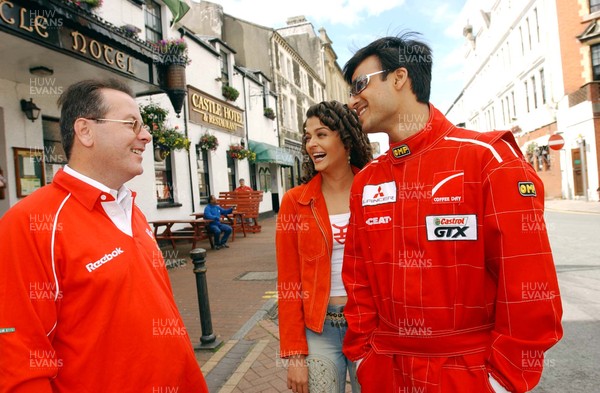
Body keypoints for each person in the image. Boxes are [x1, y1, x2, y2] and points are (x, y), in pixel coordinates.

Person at [341, 33, 563, 393]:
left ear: (399, 78)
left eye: (360, 85)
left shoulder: (488, 159)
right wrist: (364, 358)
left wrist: (501, 381)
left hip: (467, 375)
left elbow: (529, 288)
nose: (353, 101)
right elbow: (358, 278)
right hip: (385, 372)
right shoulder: (366, 181)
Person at [0, 79, 208, 393]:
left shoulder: (131, 211)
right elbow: (20, 362)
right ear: (85, 131)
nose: (146, 135)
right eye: (131, 124)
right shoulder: (29, 223)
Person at [276, 101, 372, 393]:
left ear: (345, 138)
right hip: (318, 330)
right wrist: (294, 355)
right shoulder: (295, 201)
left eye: (321, 134)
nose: (311, 144)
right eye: (308, 137)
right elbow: (288, 282)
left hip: (369, 327)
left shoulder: (375, 190)